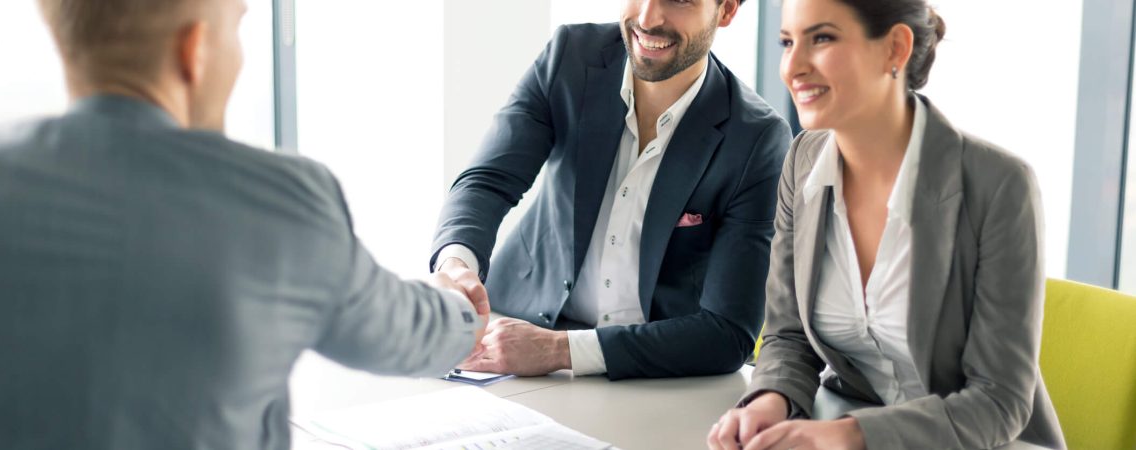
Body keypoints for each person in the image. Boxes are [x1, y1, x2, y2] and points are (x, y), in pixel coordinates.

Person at [0, 0, 488, 448]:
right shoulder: (281, 200)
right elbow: (405, 333)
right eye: (236, 28)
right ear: (196, 52)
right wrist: (460, 304)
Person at [707, 0, 1066, 448]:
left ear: (895, 48)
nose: (792, 67)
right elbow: (788, 334)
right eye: (786, 42)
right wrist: (769, 400)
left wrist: (851, 436)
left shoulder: (999, 185)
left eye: (821, 38)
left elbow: (1000, 400)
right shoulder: (802, 163)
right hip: (839, 422)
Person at [432, 0, 791, 380]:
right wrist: (456, 264)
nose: (648, 18)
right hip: (514, 330)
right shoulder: (570, 57)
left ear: (727, 10)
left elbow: (728, 332)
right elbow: (489, 179)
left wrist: (560, 350)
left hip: (648, 372)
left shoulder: (756, 140)